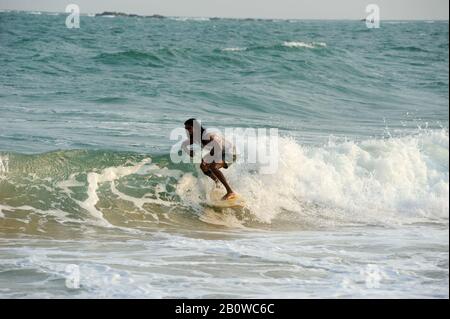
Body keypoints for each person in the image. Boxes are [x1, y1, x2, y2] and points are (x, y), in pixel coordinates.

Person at [181, 118, 237, 200]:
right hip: (221, 152)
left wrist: (207, 159)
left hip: (230, 153)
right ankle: (218, 183)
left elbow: (218, 148)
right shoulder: (196, 136)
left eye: (189, 128)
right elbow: (184, 144)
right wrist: (189, 152)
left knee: (212, 166)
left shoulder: (206, 135)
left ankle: (230, 191)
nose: (187, 130)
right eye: (186, 129)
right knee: (203, 166)